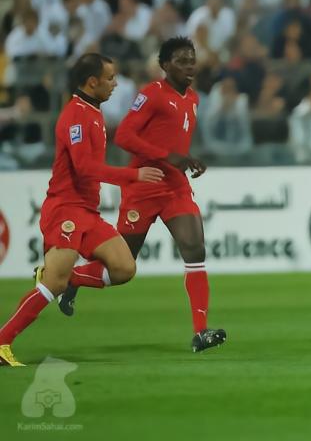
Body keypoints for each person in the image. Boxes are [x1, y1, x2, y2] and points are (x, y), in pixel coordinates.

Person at [58, 37, 227, 353]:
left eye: (192, 60)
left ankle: (201, 331)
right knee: (122, 267)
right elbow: (124, 136)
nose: (190, 66)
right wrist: (167, 156)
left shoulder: (193, 98)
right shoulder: (151, 94)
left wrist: (186, 160)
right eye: (181, 61)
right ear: (165, 65)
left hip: (175, 186)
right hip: (143, 188)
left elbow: (173, 143)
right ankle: (73, 278)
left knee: (195, 249)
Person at [0, 54, 164, 367]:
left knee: (124, 268)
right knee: (53, 284)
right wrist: (133, 175)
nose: (115, 84)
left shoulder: (93, 112)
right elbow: (85, 168)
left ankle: (71, 278)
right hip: (65, 209)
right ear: (92, 82)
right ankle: (1, 341)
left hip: (87, 212)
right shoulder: (75, 115)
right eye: (110, 78)